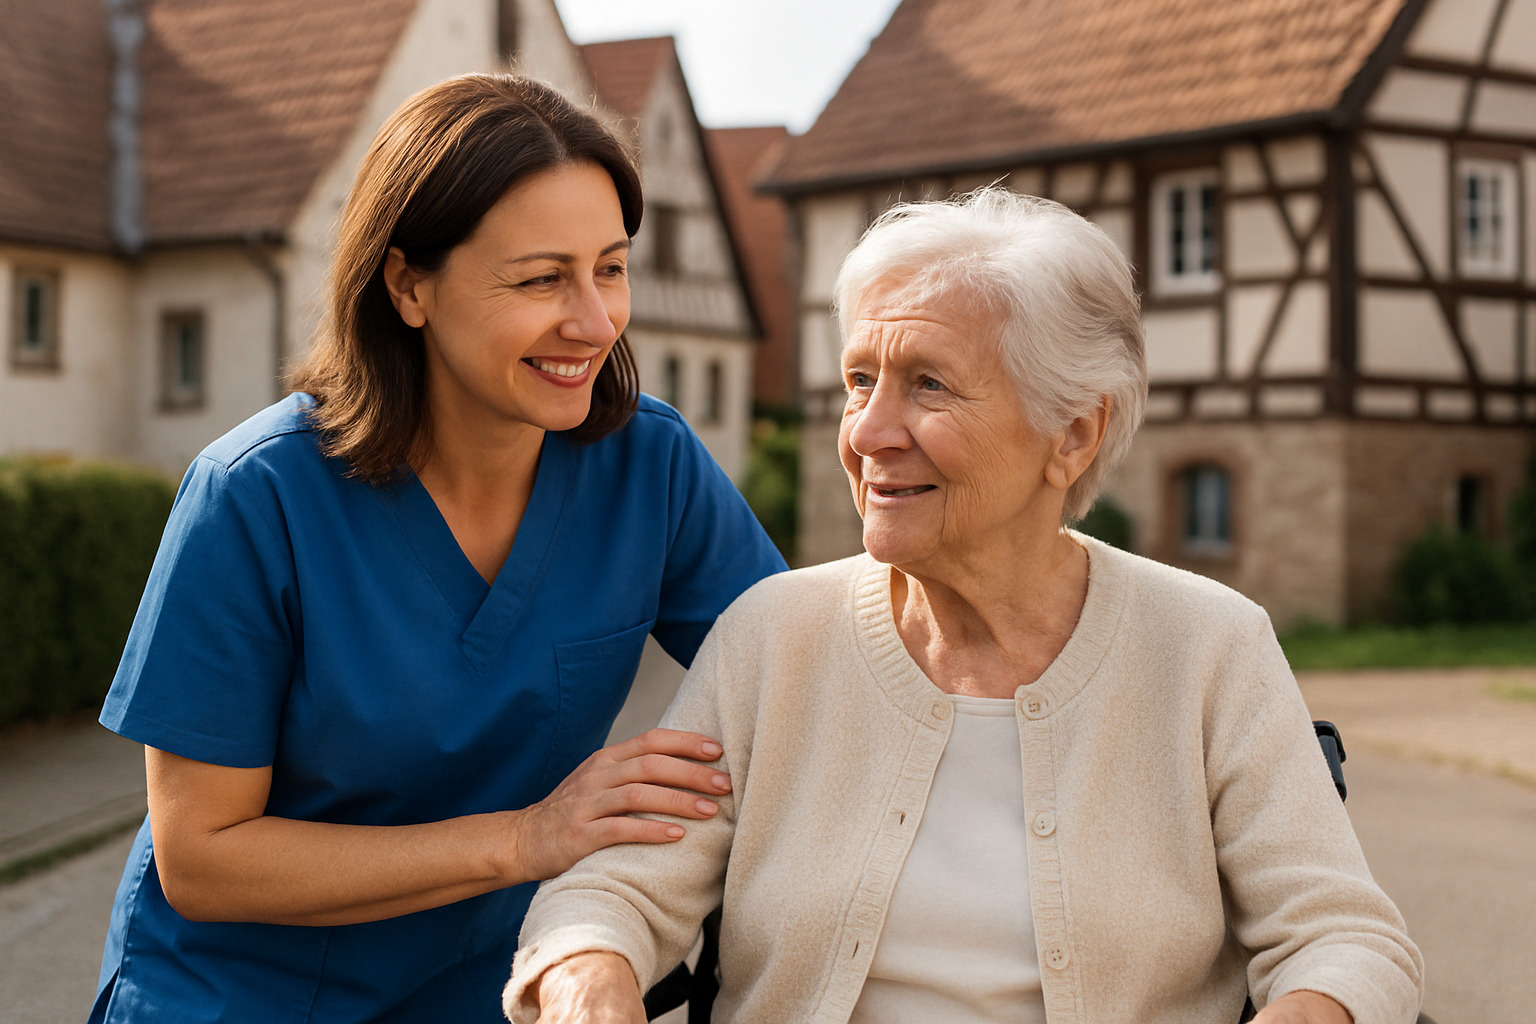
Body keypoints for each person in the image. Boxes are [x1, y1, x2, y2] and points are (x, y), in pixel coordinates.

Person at [506, 189, 1424, 1024]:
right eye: (861, 380)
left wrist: (1310, 1011)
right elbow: (619, 887)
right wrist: (591, 972)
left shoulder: (1208, 646)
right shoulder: (771, 637)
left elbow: (1348, 939)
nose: (866, 433)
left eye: (929, 385)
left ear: (1073, 432)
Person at [90, 72, 786, 1024]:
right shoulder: (253, 496)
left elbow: (798, 680)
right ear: (409, 284)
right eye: (542, 278)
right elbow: (204, 859)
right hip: (232, 999)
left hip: (480, 995)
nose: (593, 322)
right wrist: (524, 839)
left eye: (610, 268)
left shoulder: (649, 465)